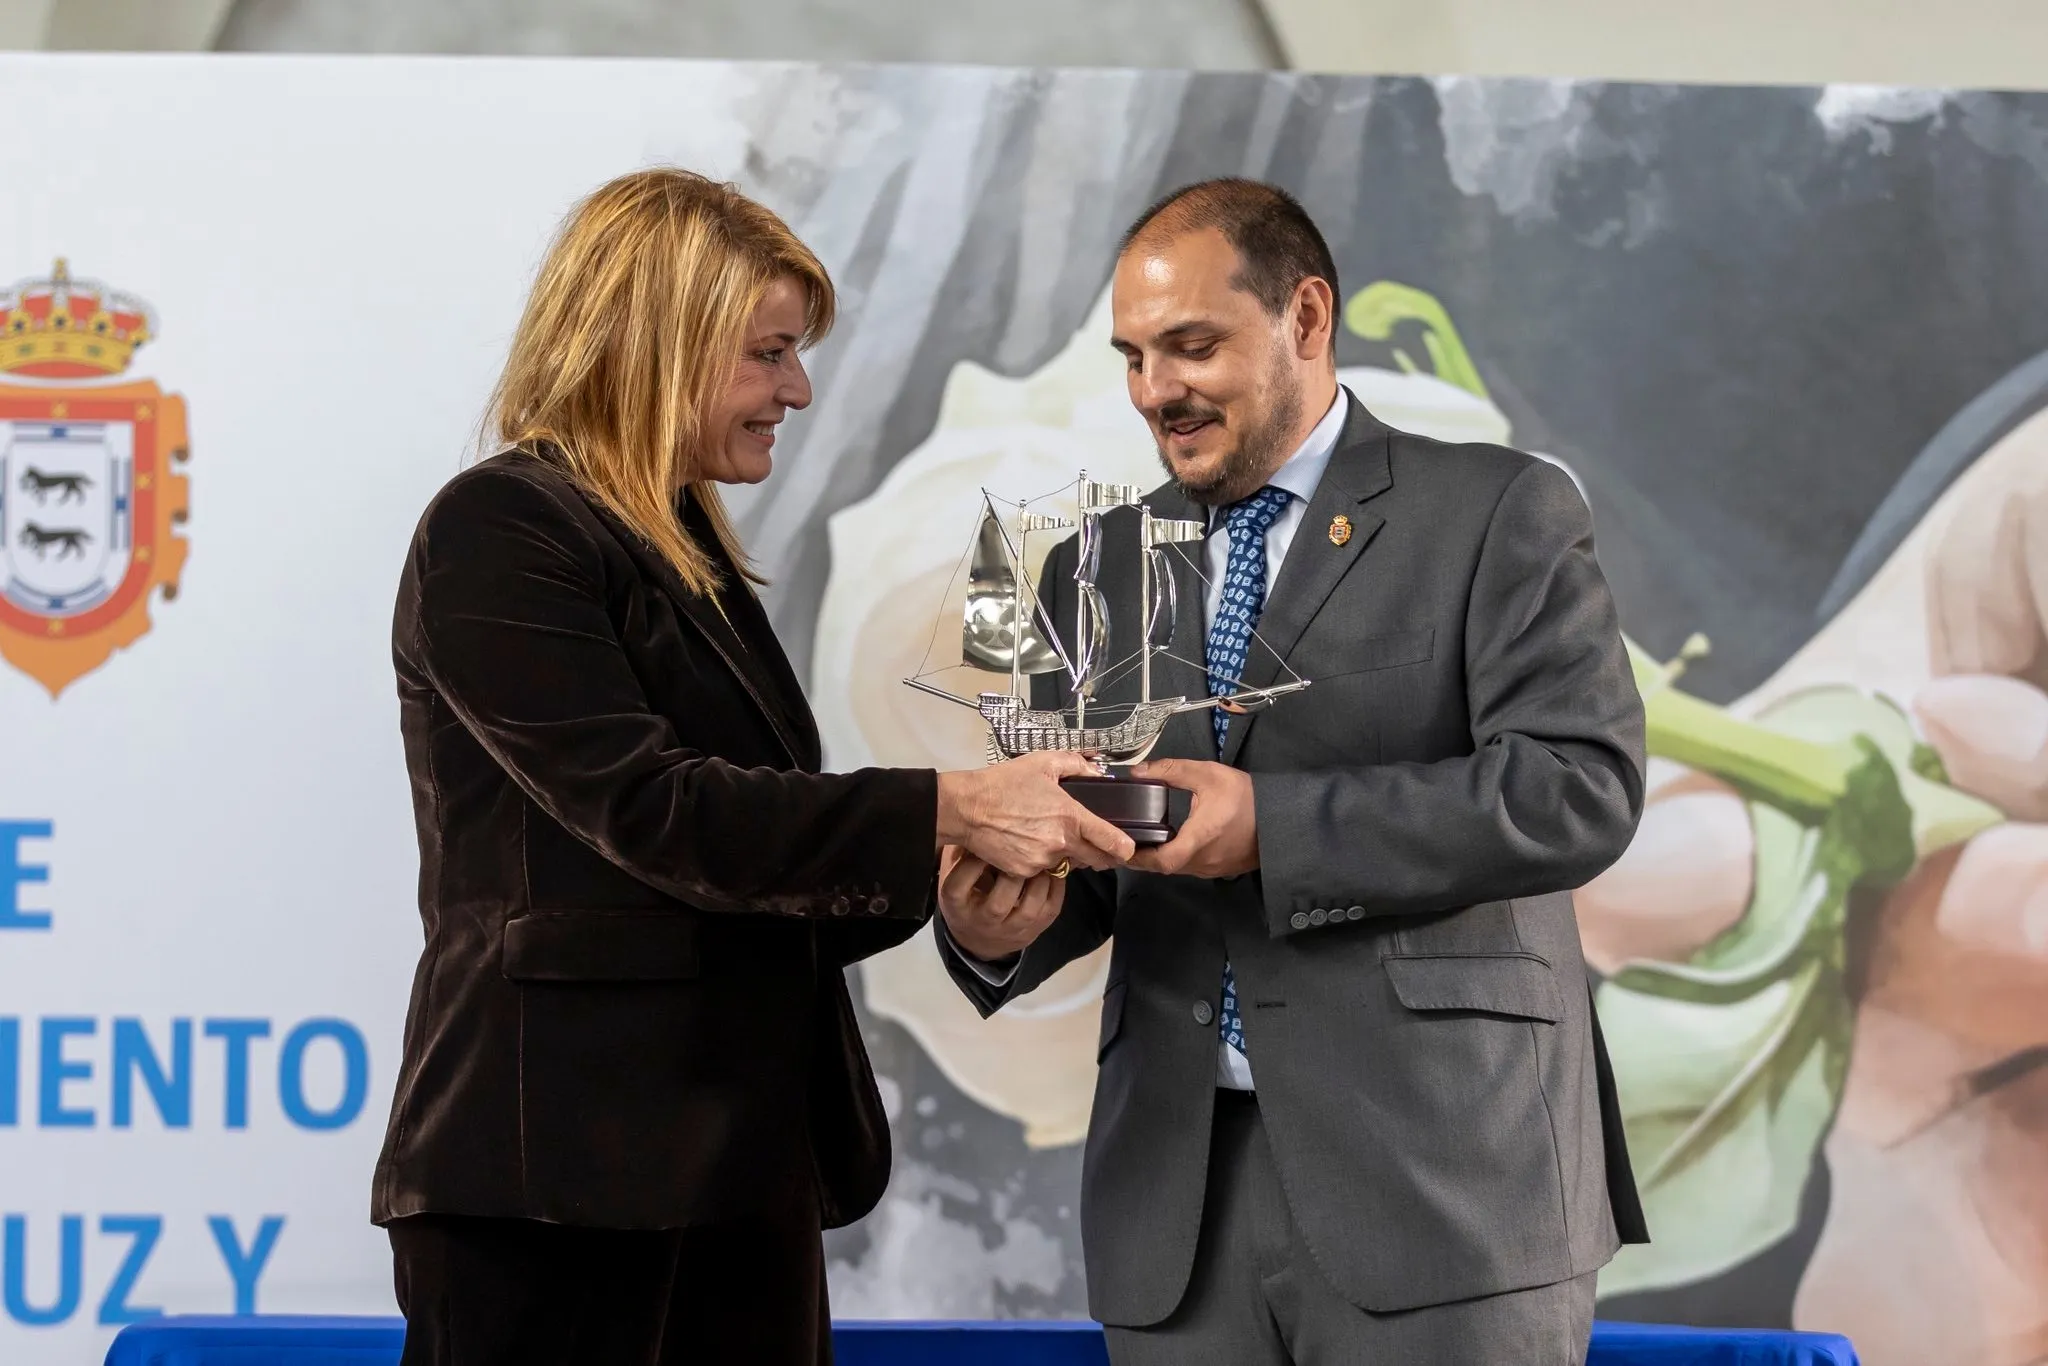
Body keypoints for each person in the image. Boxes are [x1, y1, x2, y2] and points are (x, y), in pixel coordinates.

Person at [369, 168, 1132, 1366]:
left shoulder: (693, 563)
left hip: (735, 1169)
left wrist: (953, 879)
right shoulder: (499, 530)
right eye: (767, 352)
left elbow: (742, 888)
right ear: (653, 344)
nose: (797, 388)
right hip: (554, 1178)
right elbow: (654, 814)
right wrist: (955, 804)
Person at [936, 178, 1649, 1365]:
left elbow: (1576, 788)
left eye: (1190, 345)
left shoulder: (1497, 508)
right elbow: (1099, 858)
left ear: (1305, 318)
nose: (1154, 390)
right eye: (1131, 357)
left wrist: (1274, 825)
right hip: (1178, 1215)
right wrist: (1000, 923)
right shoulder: (1090, 570)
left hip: (1445, 1193)